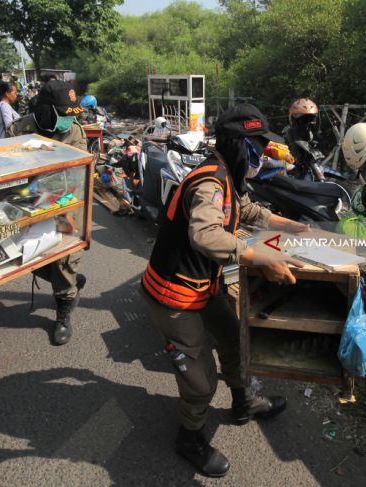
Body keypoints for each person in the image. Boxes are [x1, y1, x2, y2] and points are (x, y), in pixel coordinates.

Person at [141, 104, 310, 478]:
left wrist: (293, 226)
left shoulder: (229, 177)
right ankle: (189, 439)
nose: (262, 154)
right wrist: (261, 258)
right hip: (172, 296)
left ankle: (244, 402)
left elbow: (249, 211)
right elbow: (205, 234)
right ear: (237, 145)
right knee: (200, 382)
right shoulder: (209, 183)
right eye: (257, 146)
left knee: (236, 340)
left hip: (202, 286)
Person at [8, 80, 87, 345]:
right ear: (46, 110)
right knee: (27, 256)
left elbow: (80, 172)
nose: (68, 121)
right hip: (27, 204)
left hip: (65, 204)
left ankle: (64, 310)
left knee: (65, 260)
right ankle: (69, 283)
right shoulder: (19, 130)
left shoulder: (74, 132)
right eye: (63, 114)